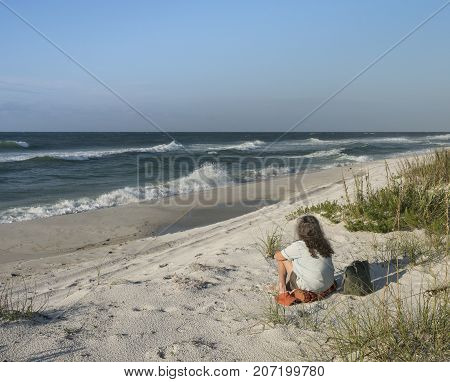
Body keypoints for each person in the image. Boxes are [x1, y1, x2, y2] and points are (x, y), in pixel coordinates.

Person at [274, 215, 336, 304]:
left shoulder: (299, 246)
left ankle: (282, 289)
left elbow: (277, 257)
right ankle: (319, 291)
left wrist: (280, 254)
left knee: (282, 258)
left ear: (300, 231)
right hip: (329, 282)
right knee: (300, 260)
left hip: (310, 285)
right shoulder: (324, 242)